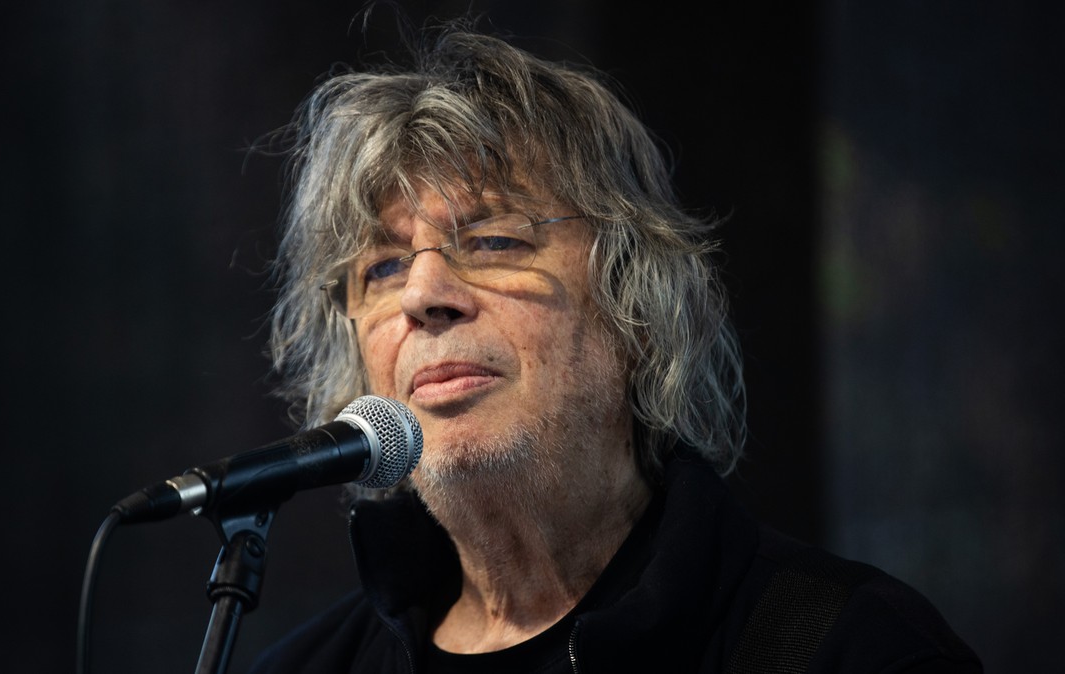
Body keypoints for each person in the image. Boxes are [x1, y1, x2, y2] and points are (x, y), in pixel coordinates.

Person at [252, 22, 981, 674]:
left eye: (495, 241)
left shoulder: (851, 648)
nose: (422, 293)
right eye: (383, 267)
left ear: (635, 302)